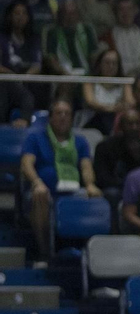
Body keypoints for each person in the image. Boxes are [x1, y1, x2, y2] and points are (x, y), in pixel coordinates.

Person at [21, 98, 98, 252]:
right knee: (40, 194)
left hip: (72, 189)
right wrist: (37, 182)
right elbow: (26, 164)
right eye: (58, 113)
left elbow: (86, 167)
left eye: (67, 113)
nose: (63, 117)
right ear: (51, 117)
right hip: (44, 190)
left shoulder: (80, 141)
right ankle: (44, 251)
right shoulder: (35, 138)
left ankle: (84, 252)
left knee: (93, 196)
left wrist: (90, 185)